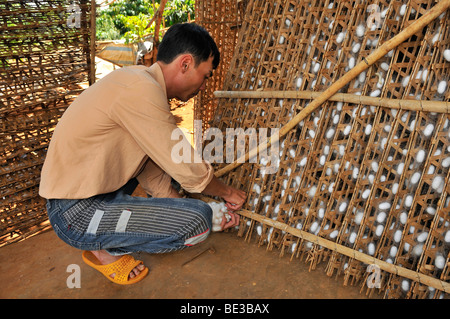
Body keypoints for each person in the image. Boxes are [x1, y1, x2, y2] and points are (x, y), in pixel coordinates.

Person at [39, 23, 247, 285]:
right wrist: (226, 195)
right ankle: (103, 248)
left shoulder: (138, 82)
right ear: (185, 64)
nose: (204, 86)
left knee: (192, 213)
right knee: (199, 220)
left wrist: (178, 206)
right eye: (205, 76)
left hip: (86, 198)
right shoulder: (141, 89)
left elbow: (151, 169)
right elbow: (186, 166)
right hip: (75, 215)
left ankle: (105, 235)